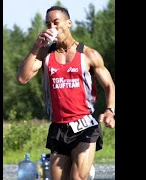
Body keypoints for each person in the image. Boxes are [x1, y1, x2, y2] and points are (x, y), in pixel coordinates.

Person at [16, 6, 115, 180]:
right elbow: (22, 79)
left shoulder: (89, 55)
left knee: (76, 177)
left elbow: (109, 85)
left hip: (85, 125)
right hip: (58, 127)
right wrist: (36, 47)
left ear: (68, 23)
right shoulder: (46, 54)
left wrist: (110, 110)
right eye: (48, 24)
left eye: (56, 23)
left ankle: (83, 170)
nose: (51, 28)